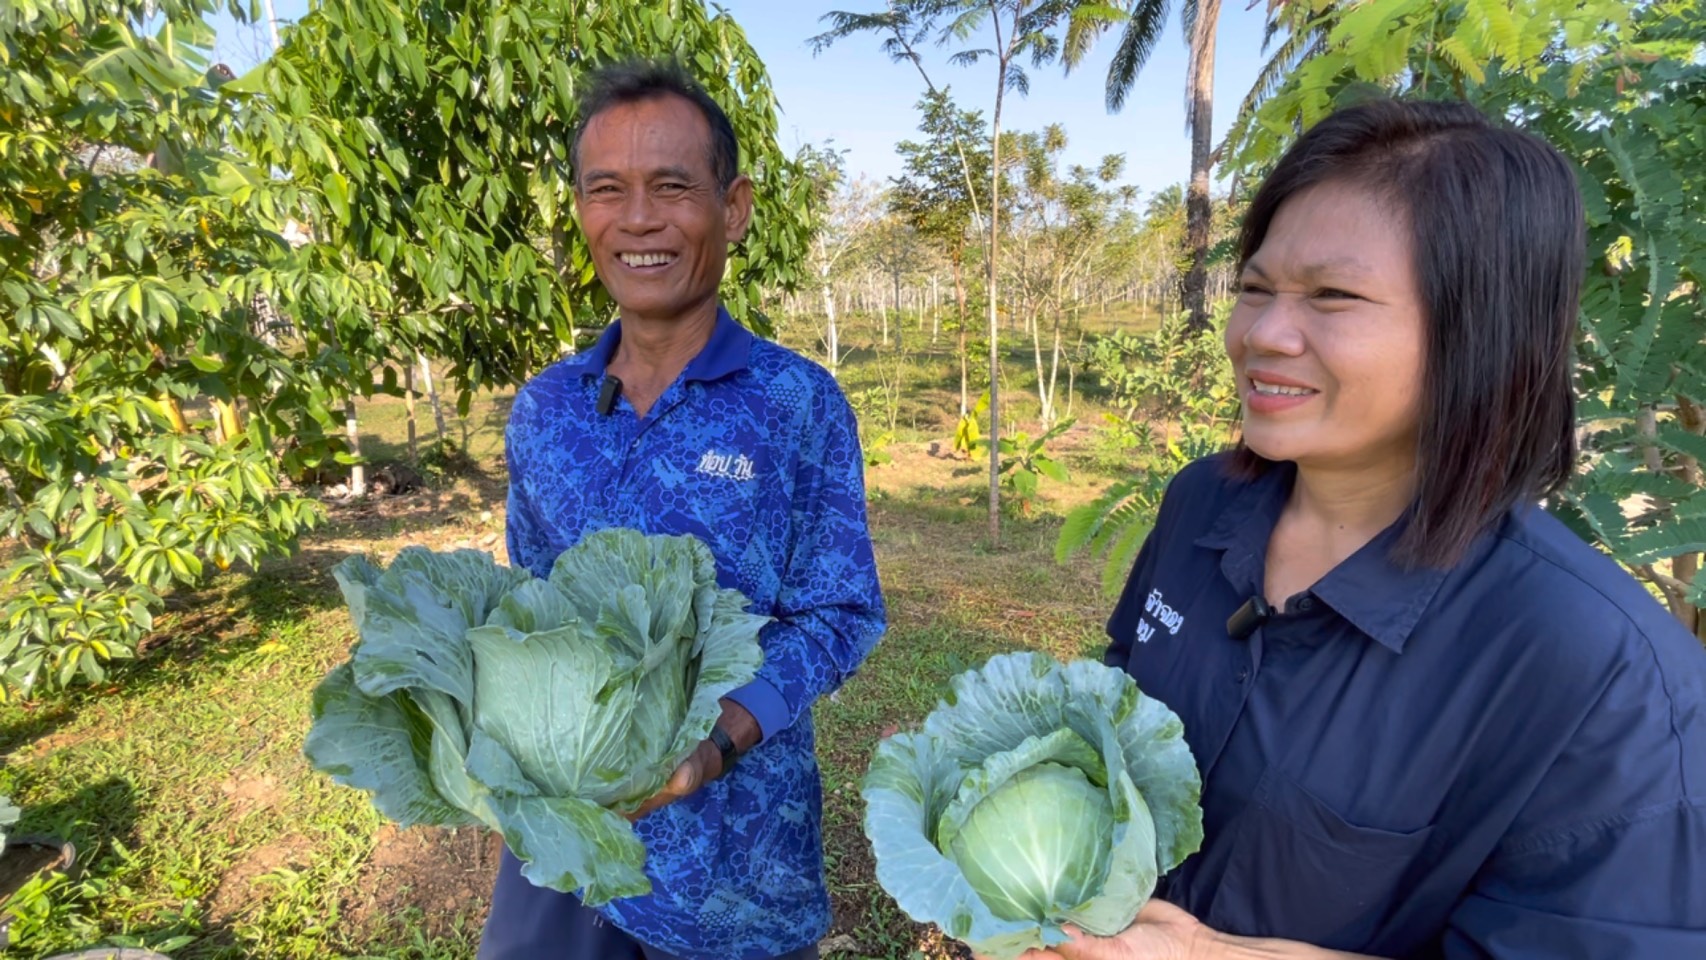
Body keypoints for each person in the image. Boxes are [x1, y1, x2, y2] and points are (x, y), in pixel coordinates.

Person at [1051, 100, 1706, 958]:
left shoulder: (1607, 679)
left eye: (1332, 296)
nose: (1261, 335)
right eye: (1254, 288)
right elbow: (1118, 703)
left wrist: (1216, 956)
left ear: (1482, 330)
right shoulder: (1201, 502)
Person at [479, 59, 885, 960]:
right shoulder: (545, 409)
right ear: (580, 211)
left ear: (732, 208)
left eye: (671, 186)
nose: (638, 220)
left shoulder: (795, 405)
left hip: (733, 880)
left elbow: (840, 615)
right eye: (606, 190)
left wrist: (717, 743)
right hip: (566, 850)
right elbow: (530, 609)